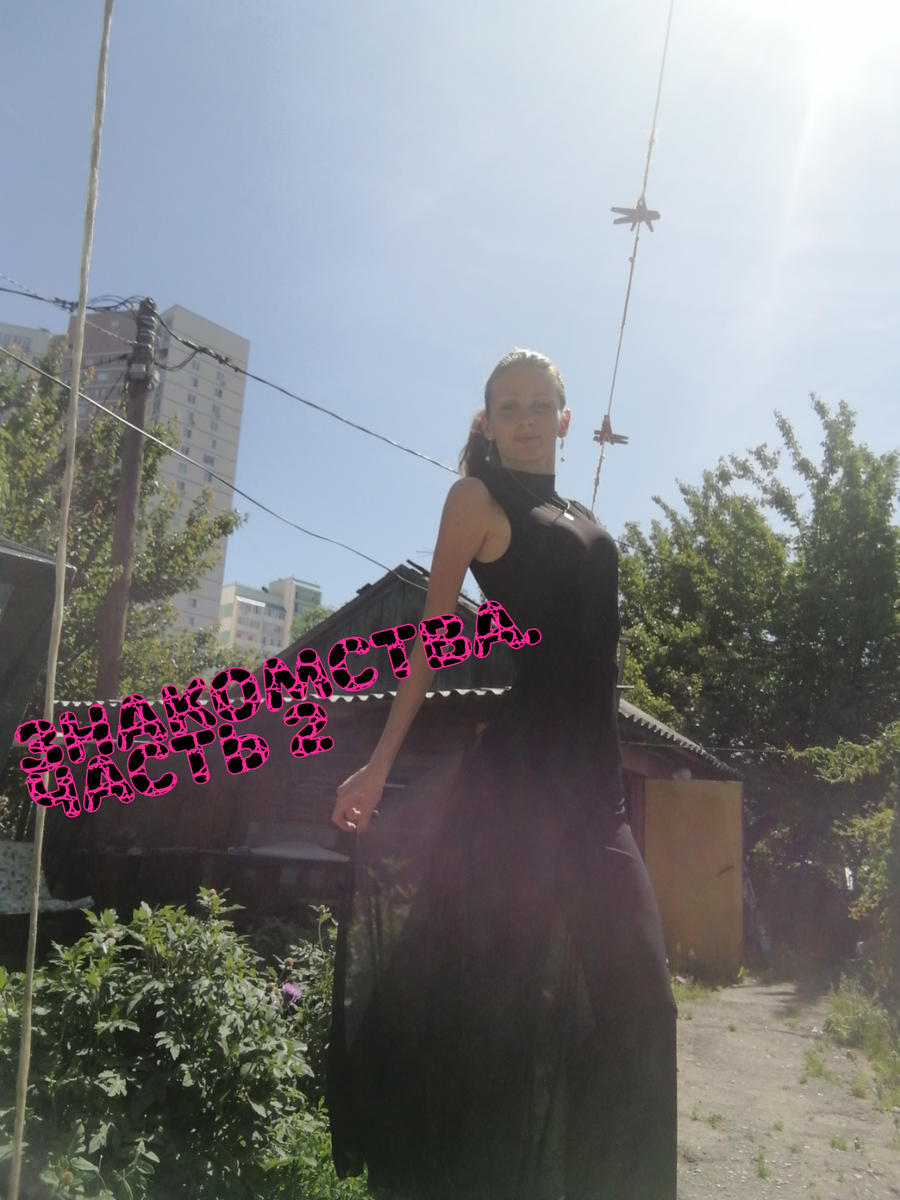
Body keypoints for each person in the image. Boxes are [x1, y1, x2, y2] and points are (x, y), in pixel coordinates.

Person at [326, 348, 677, 1200]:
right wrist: (377, 765)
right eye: (508, 406)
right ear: (487, 423)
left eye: (539, 404)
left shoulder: (580, 514)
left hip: (596, 796)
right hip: (516, 794)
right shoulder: (476, 500)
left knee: (643, 1005)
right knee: (494, 1018)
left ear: (565, 418)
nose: (525, 418)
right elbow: (429, 642)